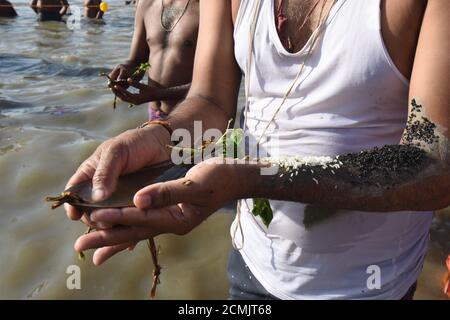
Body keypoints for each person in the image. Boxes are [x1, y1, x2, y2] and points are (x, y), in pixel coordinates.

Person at [66, 0, 450, 300]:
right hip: (251, 265)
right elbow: (210, 100)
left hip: (371, 284)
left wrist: (251, 179)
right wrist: (156, 137)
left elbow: (435, 165)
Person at [109, 0, 199, 120]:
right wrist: (125, 72)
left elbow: (215, 83)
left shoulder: (207, 9)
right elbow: (137, 61)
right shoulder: (146, 3)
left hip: (192, 116)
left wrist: (161, 94)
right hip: (154, 114)